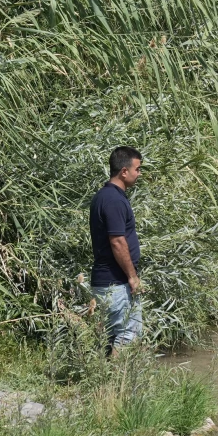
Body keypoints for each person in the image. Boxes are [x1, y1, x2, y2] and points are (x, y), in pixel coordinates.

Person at [89, 146, 144, 353]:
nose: (139, 174)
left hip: (106, 282)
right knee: (128, 334)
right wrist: (132, 277)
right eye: (137, 169)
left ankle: (105, 383)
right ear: (124, 171)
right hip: (116, 283)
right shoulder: (113, 200)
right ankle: (118, 384)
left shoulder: (104, 196)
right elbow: (117, 241)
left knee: (110, 338)